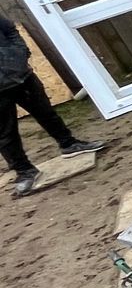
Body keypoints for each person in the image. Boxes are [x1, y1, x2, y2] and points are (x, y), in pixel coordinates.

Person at [1, 14, 104, 196]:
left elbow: (10, 30)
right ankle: (25, 172)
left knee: (46, 113)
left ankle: (69, 144)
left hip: (21, 76)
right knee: (5, 133)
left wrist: (20, 54)